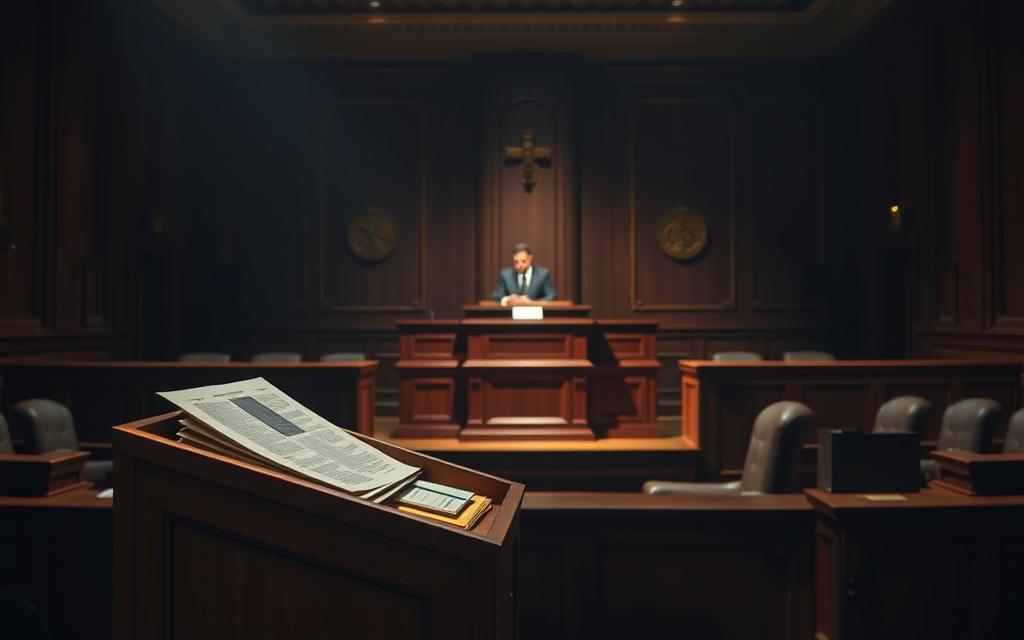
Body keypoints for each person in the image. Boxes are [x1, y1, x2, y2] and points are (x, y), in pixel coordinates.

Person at [490, 242, 557, 306]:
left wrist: (532, 303)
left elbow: (552, 296)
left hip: (536, 314)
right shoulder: (505, 275)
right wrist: (507, 300)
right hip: (511, 315)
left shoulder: (543, 274)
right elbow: (496, 296)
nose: (519, 265)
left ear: (530, 258)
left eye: (523, 261)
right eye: (516, 262)